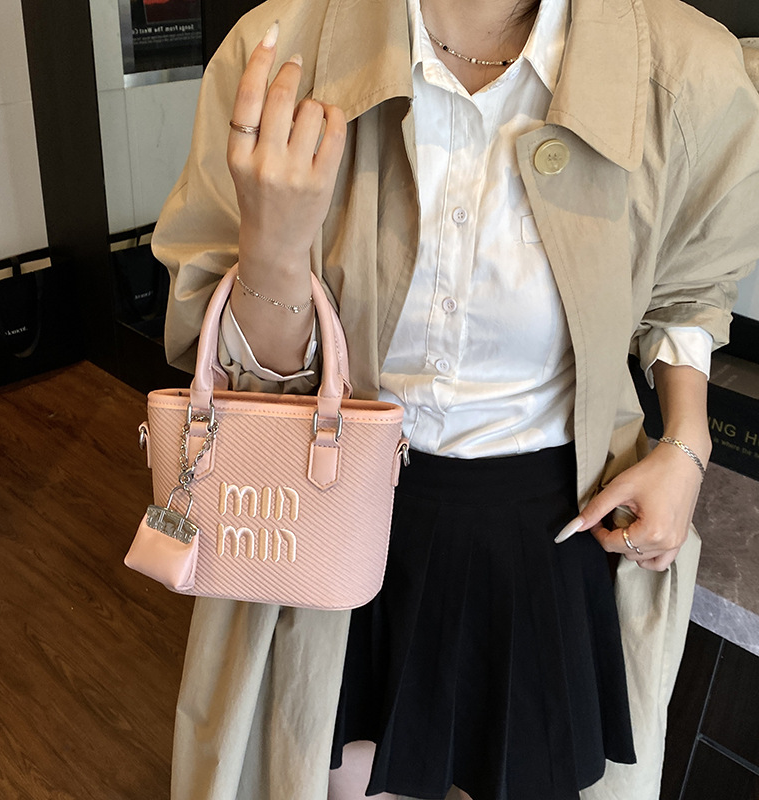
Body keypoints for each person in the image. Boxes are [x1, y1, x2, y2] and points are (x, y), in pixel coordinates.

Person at [151, 0, 759, 797]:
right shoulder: (281, 47)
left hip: (555, 526)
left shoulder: (683, 67)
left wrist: (686, 443)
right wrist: (274, 250)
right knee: (333, 770)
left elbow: (688, 288)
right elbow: (227, 361)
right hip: (330, 516)